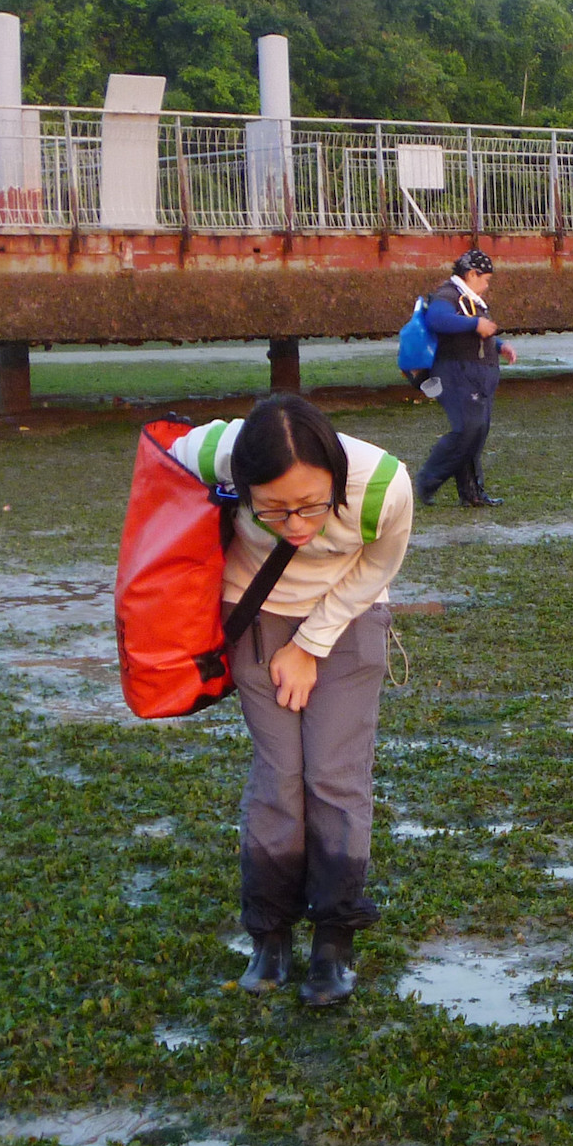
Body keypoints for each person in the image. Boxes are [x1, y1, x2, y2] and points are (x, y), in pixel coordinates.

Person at [168, 393, 414, 1006]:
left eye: (311, 506)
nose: (297, 527)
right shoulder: (217, 453)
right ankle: (269, 933)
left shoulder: (383, 483)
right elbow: (162, 459)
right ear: (242, 484)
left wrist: (310, 642)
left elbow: (378, 565)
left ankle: (334, 939)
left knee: (334, 773)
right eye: (273, 512)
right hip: (254, 612)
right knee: (279, 775)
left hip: (348, 616)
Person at [414, 246, 517, 507]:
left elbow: (475, 335)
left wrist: (499, 345)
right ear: (472, 274)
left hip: (475, 375)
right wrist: (475, 324)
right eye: (485, 280)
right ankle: (427, 481)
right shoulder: (448, 294)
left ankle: (472, 493)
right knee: (467, 430)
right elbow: (438, 320)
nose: (486, 286)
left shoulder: (469, 299)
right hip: (456, 374)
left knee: (476, 432)